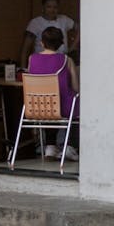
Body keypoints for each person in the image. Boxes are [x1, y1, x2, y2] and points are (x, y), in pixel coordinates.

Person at [26, 25, 79, 160]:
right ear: (61, 44)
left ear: (41, 42)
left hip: (37, 106)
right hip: (61, 106)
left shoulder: (32, 59)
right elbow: (76, 87)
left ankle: (50, 146)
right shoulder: (67, 60)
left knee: (48, 101)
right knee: (76, 100)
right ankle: (70, 146)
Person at [20, 0, 78, 69]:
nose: (52, 10)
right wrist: (22, 69)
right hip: (42, 62)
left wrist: (73, 46)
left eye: (55, 7)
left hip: (61, 62)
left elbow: (82, 28)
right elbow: (25, 49)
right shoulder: (35, 23)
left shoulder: (64, 19)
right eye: (49, 7)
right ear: (43, 8)